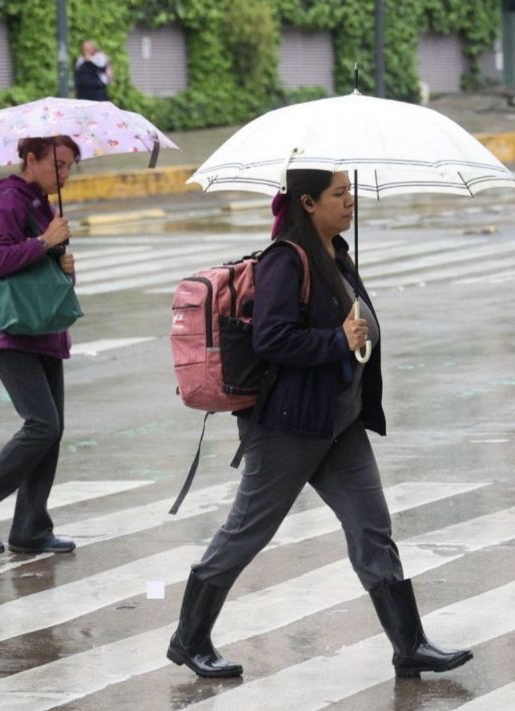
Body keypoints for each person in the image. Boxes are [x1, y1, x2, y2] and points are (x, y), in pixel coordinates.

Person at [166, 169, 472, 679]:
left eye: (350, 192)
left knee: (373, 531)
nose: (350, 202)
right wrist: (337, 340)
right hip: (289, 426)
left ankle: (409, 644)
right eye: (340, 194)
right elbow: (272, 339)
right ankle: (189, 637)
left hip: (339, 423)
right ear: (308, 202)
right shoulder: (287, 261)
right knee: (247, 532)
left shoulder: (337, 254)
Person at [0, 135, 80, 554]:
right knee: (41, 424)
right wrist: (44, 242)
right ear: (30, 159)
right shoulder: (7, 199)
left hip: (40, 327)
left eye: (68, 167)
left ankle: (30, 528)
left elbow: (46, 273)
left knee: (51, 430)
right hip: (9, 331)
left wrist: (62, 260)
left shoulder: (42, 204)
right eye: (56, 164)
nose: (63, 174)